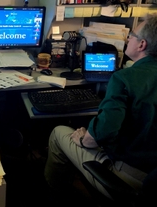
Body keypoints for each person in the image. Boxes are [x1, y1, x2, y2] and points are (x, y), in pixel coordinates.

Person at [44, 14, 157, 200]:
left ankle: (54, 196)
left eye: (132, 35)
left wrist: (82, 139)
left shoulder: (124, 79)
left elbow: (101, 134)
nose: (128, 38)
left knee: (59, 133)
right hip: (152, 174)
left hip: (130, 181)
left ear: (142, 44)